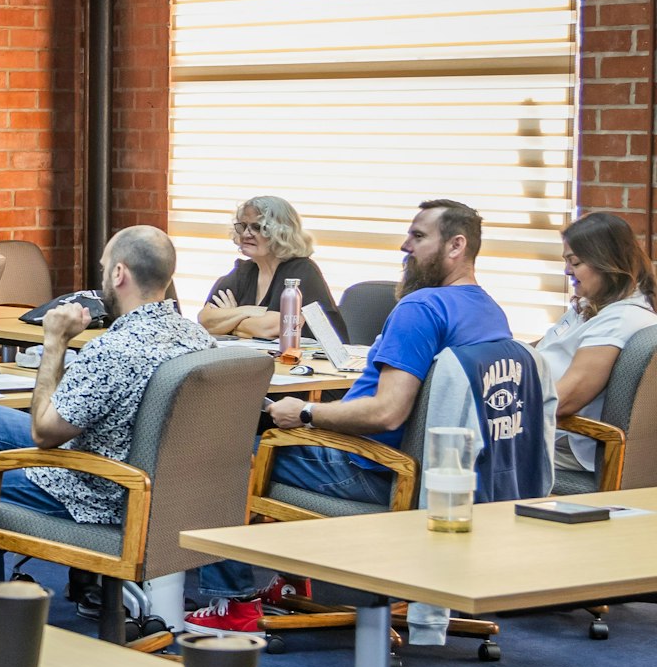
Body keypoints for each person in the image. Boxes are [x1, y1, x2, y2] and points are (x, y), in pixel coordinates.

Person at [193, 198, 512, 634]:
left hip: (371, 467)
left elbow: (386, 411)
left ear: (456, 245)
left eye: (418, 237)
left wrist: (304, 412)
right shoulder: (487, 308)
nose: (405, 246)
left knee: (227, 451)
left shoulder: (421, 310)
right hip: (442, 476)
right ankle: (289, 581)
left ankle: (233, 603)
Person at [0, 226, 213, 601]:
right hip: (171, 489)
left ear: (118, 274)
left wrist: (55, 342)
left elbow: (45, 432)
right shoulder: (199, 339)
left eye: (103, 267)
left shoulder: (114, 350)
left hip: (105, 492)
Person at [536, 211, 657, 480]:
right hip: (548, 427)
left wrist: (504, 410)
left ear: (605, 262)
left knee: (459, 446)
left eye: (574, 262)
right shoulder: (596, 306)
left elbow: (564, 400)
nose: (567, 271)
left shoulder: (619, 320)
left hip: (564, 440)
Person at [198, 196, 344, 340]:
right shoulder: (243, 271)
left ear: (282, 232)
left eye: (257, 227)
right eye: (242, 226)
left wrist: (229, 324)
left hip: (315, 362)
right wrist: (248, 311)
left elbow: (269, 328)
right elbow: (204, 321)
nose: (246, 234)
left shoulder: (301, 270)